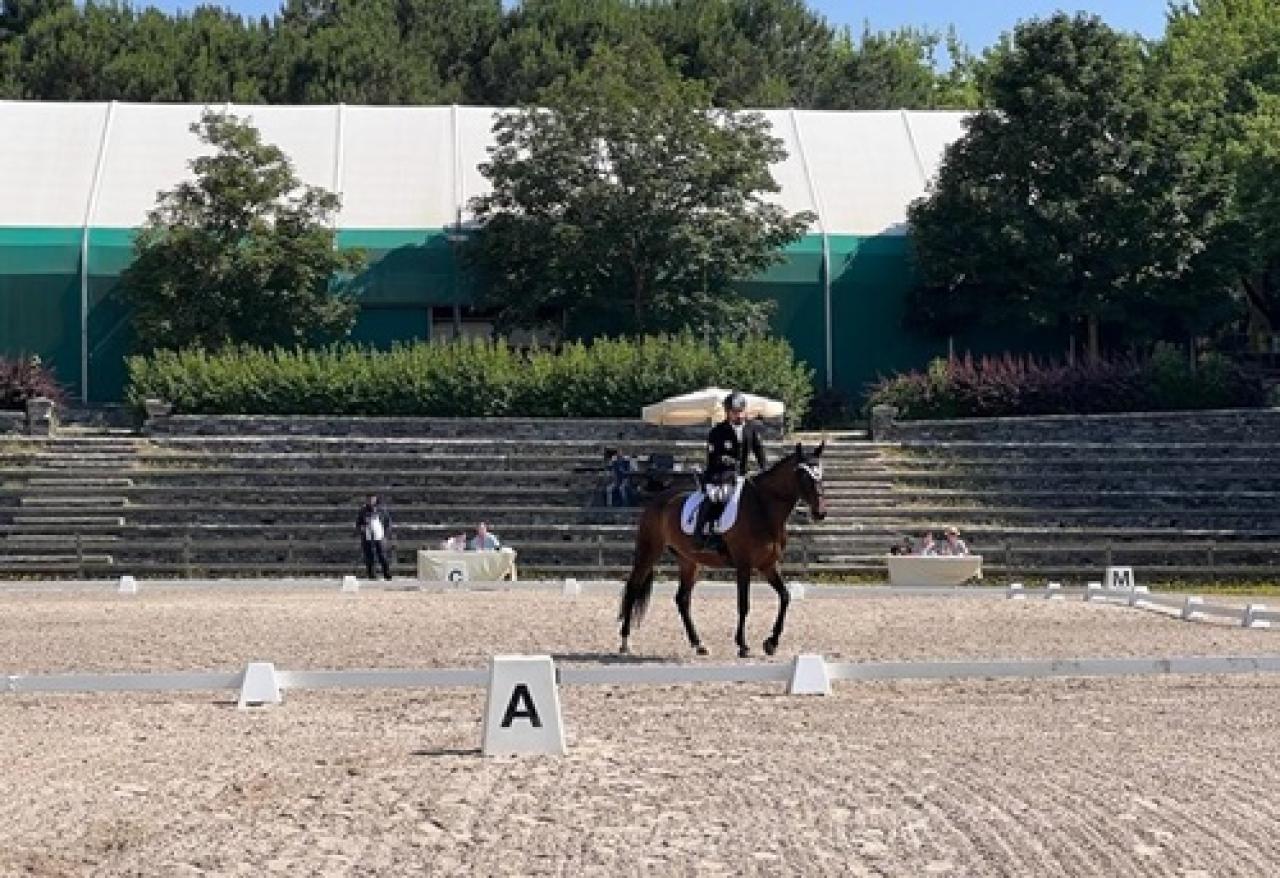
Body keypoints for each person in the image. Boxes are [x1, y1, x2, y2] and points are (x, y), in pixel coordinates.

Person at [694, 390, 768, 549]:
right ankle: (703, 532)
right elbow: (712, 458)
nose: (738, 415)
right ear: (727, 413)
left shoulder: (751, 430)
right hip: (720, 475)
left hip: (743, 474)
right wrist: (724, 461)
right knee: (717, 497)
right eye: (734, 412)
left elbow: (759, 451)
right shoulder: (717, 432)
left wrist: (764, 468)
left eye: (741, 412)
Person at [355, 493, 392, 580]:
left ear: (375, 499)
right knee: (369, 556)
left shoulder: (382, 510)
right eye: (369, 499)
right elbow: (358, 523)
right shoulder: (362, 510)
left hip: (379, 536)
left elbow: (388, 522)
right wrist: (361, 529)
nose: (370, 501)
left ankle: (387, 574)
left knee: (382, 556)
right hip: (367, 536)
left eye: (372, 499)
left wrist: (385, 534)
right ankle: (371, 575)